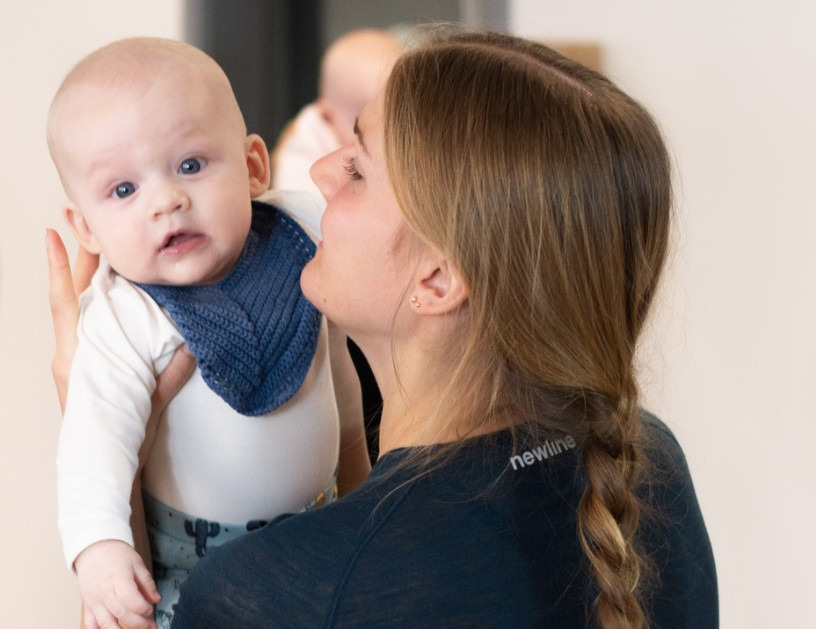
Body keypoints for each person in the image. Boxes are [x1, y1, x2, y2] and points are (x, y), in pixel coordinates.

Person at [49, 31, 717, 628]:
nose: (318, 172)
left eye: (358, 170)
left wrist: (117, 482)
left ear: (437, 279)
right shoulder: (642, 466)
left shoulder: (277, 593)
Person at [46, 38, 370, 629]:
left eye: (191, 165)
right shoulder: (124, 315)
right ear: (85, 228)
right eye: (124, 190)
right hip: (194, 565)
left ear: (253, 167)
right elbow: (93, 443)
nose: (166, 201)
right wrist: (100, 551)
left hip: (321, 524)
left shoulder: (300, 228)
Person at [269, 28, 401, 198]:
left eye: (394, 120)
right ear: (327, 116)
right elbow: (301, 206)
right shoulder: (304, 148)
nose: (383, 136)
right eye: (361, 125)